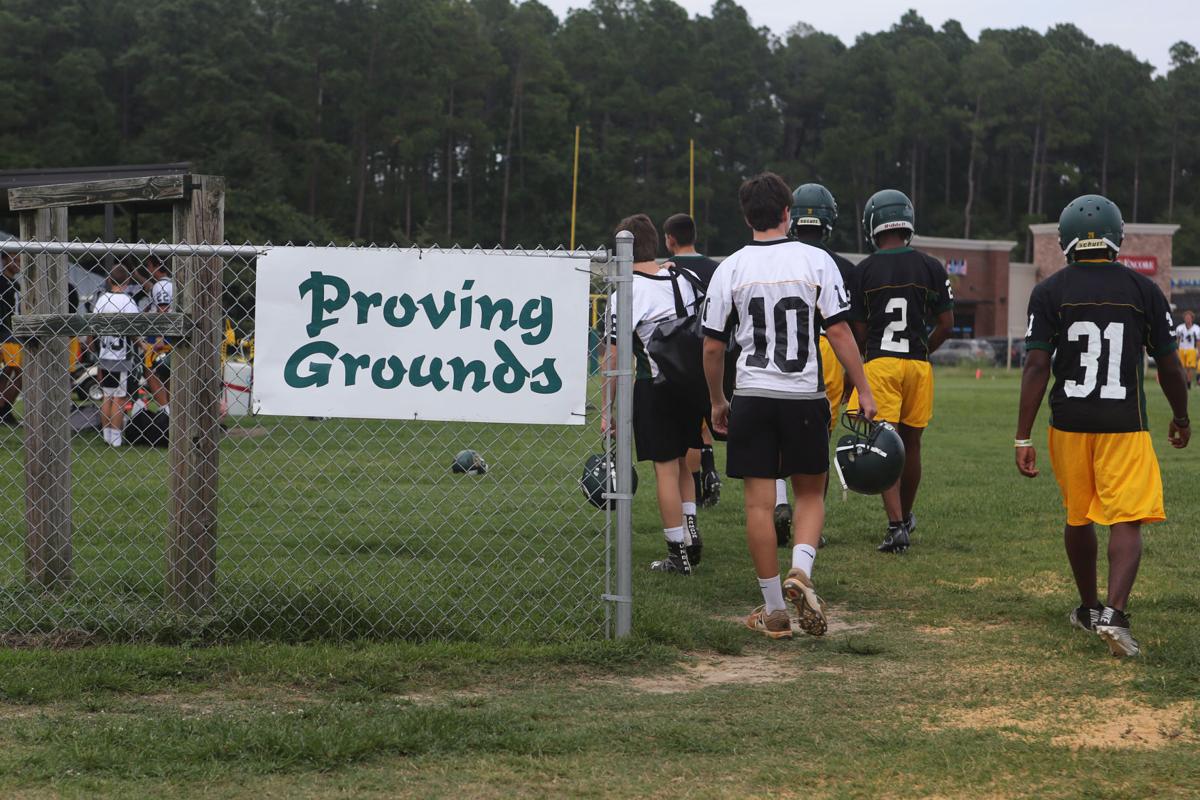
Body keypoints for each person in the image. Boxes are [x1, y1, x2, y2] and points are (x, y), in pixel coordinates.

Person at [701, 172, 876, 639]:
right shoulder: (816, 261)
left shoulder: (729, 268)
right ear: (787, 214)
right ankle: (801, 569)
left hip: (753, 394)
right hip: (804, 394)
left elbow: (714, 347)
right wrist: (864, 388)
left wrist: (719, 400)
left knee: (759, 506)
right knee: (810, 493)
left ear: (746, 216)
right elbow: (839, 333)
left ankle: (775, 608)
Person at [1015, 194, 1189, 658]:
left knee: (1079, 515)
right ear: (1117, 238)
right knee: (1126, 518)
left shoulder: (1049, 291)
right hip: (1123, 422)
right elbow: (1170, 366)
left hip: (1068, 423)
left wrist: (1022, 435)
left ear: (1067, 241)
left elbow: (1036, 365)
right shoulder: (1143, 290)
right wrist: (1181, 415)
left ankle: (1089, 607)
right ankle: (1114, 613)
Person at [846, 189, 954, 553]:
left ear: (873, 224)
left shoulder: (864, 270)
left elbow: (859, 332)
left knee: (883, 445)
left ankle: (895, 527)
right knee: (912, 445)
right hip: (917, 364)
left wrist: (858, 368)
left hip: (882, 362)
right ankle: (906, 516)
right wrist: (924, 349)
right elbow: (946, 323)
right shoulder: (931, 266)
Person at [603, 213, 704, 575]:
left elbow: (615, 354)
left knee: (664, 468)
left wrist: (606, 409)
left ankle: (677, 552)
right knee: (682, 465)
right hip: (690, 385)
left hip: (656, 385)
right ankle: (691, 532)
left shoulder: (629, 292)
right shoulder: (682, 277)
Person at [772, 183, 857, 549]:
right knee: (816, 441)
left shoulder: (777, 257)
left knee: (775, 430)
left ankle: (778, 499)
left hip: (782, 347)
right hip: (827, 350)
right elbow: (847, 326)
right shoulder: (841, 266)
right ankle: (811, 522)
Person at [662, 212, 722, 508]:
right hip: (715, 348)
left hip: (680, 351)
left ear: (670, 239)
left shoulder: (666, 271)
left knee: (689, 428)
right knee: (708, 412)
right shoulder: (716, 269)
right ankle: (709, 470)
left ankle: (696, 488)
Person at [88, 265, 140, 447]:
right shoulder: (128, 302)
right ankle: (116, 439)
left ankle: (106, 435)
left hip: (104, 353)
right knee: (120, 397)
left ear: (109, 281)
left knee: (107, 395)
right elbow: (135, 330)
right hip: (121, 356)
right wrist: (141, 343)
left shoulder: (102, 300)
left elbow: (93, 327)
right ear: (127, 282)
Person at [143, 258, 174, 412]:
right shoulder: (169, 283)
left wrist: (160, 337)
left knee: (150, 371)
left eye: (149, 266)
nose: (147, 270)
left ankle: (165, 408)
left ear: (156, 266)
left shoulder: (161, 285)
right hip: (168, 333)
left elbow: (163, 309)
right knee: (167, 374)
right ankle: (170, 408)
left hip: (161, 335)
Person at [0, 253, 21, 426]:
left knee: (18, 373)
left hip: (15, 334)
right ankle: (3, 411)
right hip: (4, 334)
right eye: (14, 259)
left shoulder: (16, 284)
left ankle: (5, 409)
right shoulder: (1, 283)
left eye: (20, 260)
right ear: (4, 260)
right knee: (7, 373)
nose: (18, 263)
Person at [1174, 310, 1199, 389]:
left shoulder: (1197, 328)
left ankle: (1188, 384)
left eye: (1189, 317)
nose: (1187, 319)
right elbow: (1177, 340)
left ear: (1192, 318)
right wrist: (1176, 350)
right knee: (1181, 368)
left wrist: (1199, 351)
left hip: (1191, 350)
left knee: (1189, 368)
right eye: (1186, 317)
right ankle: (1183, 383)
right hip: (1181, 349)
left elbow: (1198, 341)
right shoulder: (1179, 328)